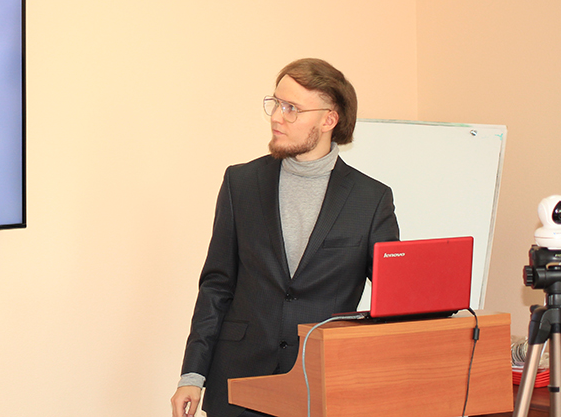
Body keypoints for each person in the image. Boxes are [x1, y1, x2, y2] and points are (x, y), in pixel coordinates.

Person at [170, 58, 399, 417]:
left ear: (329, 120)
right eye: (276, 103)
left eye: (292, 108)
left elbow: (394, 298)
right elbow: (216, 286)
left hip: (321, 384)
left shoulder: (370, 199)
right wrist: (192, 374)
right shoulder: (240, 183)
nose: (277, 117)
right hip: (238, 381)